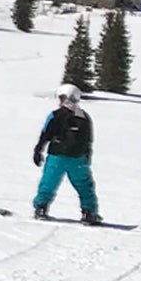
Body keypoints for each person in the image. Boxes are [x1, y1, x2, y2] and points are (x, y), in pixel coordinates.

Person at [32, 82, 102, 224]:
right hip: (77, 158)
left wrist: (38, 150)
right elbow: (88, 140)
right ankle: (89, 212)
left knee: (48, 182)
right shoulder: (84, 117)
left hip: (56, 156)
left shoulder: (55, 115)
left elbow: (45, 134)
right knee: (84, 185)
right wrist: (87, 157)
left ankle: (41, 207)